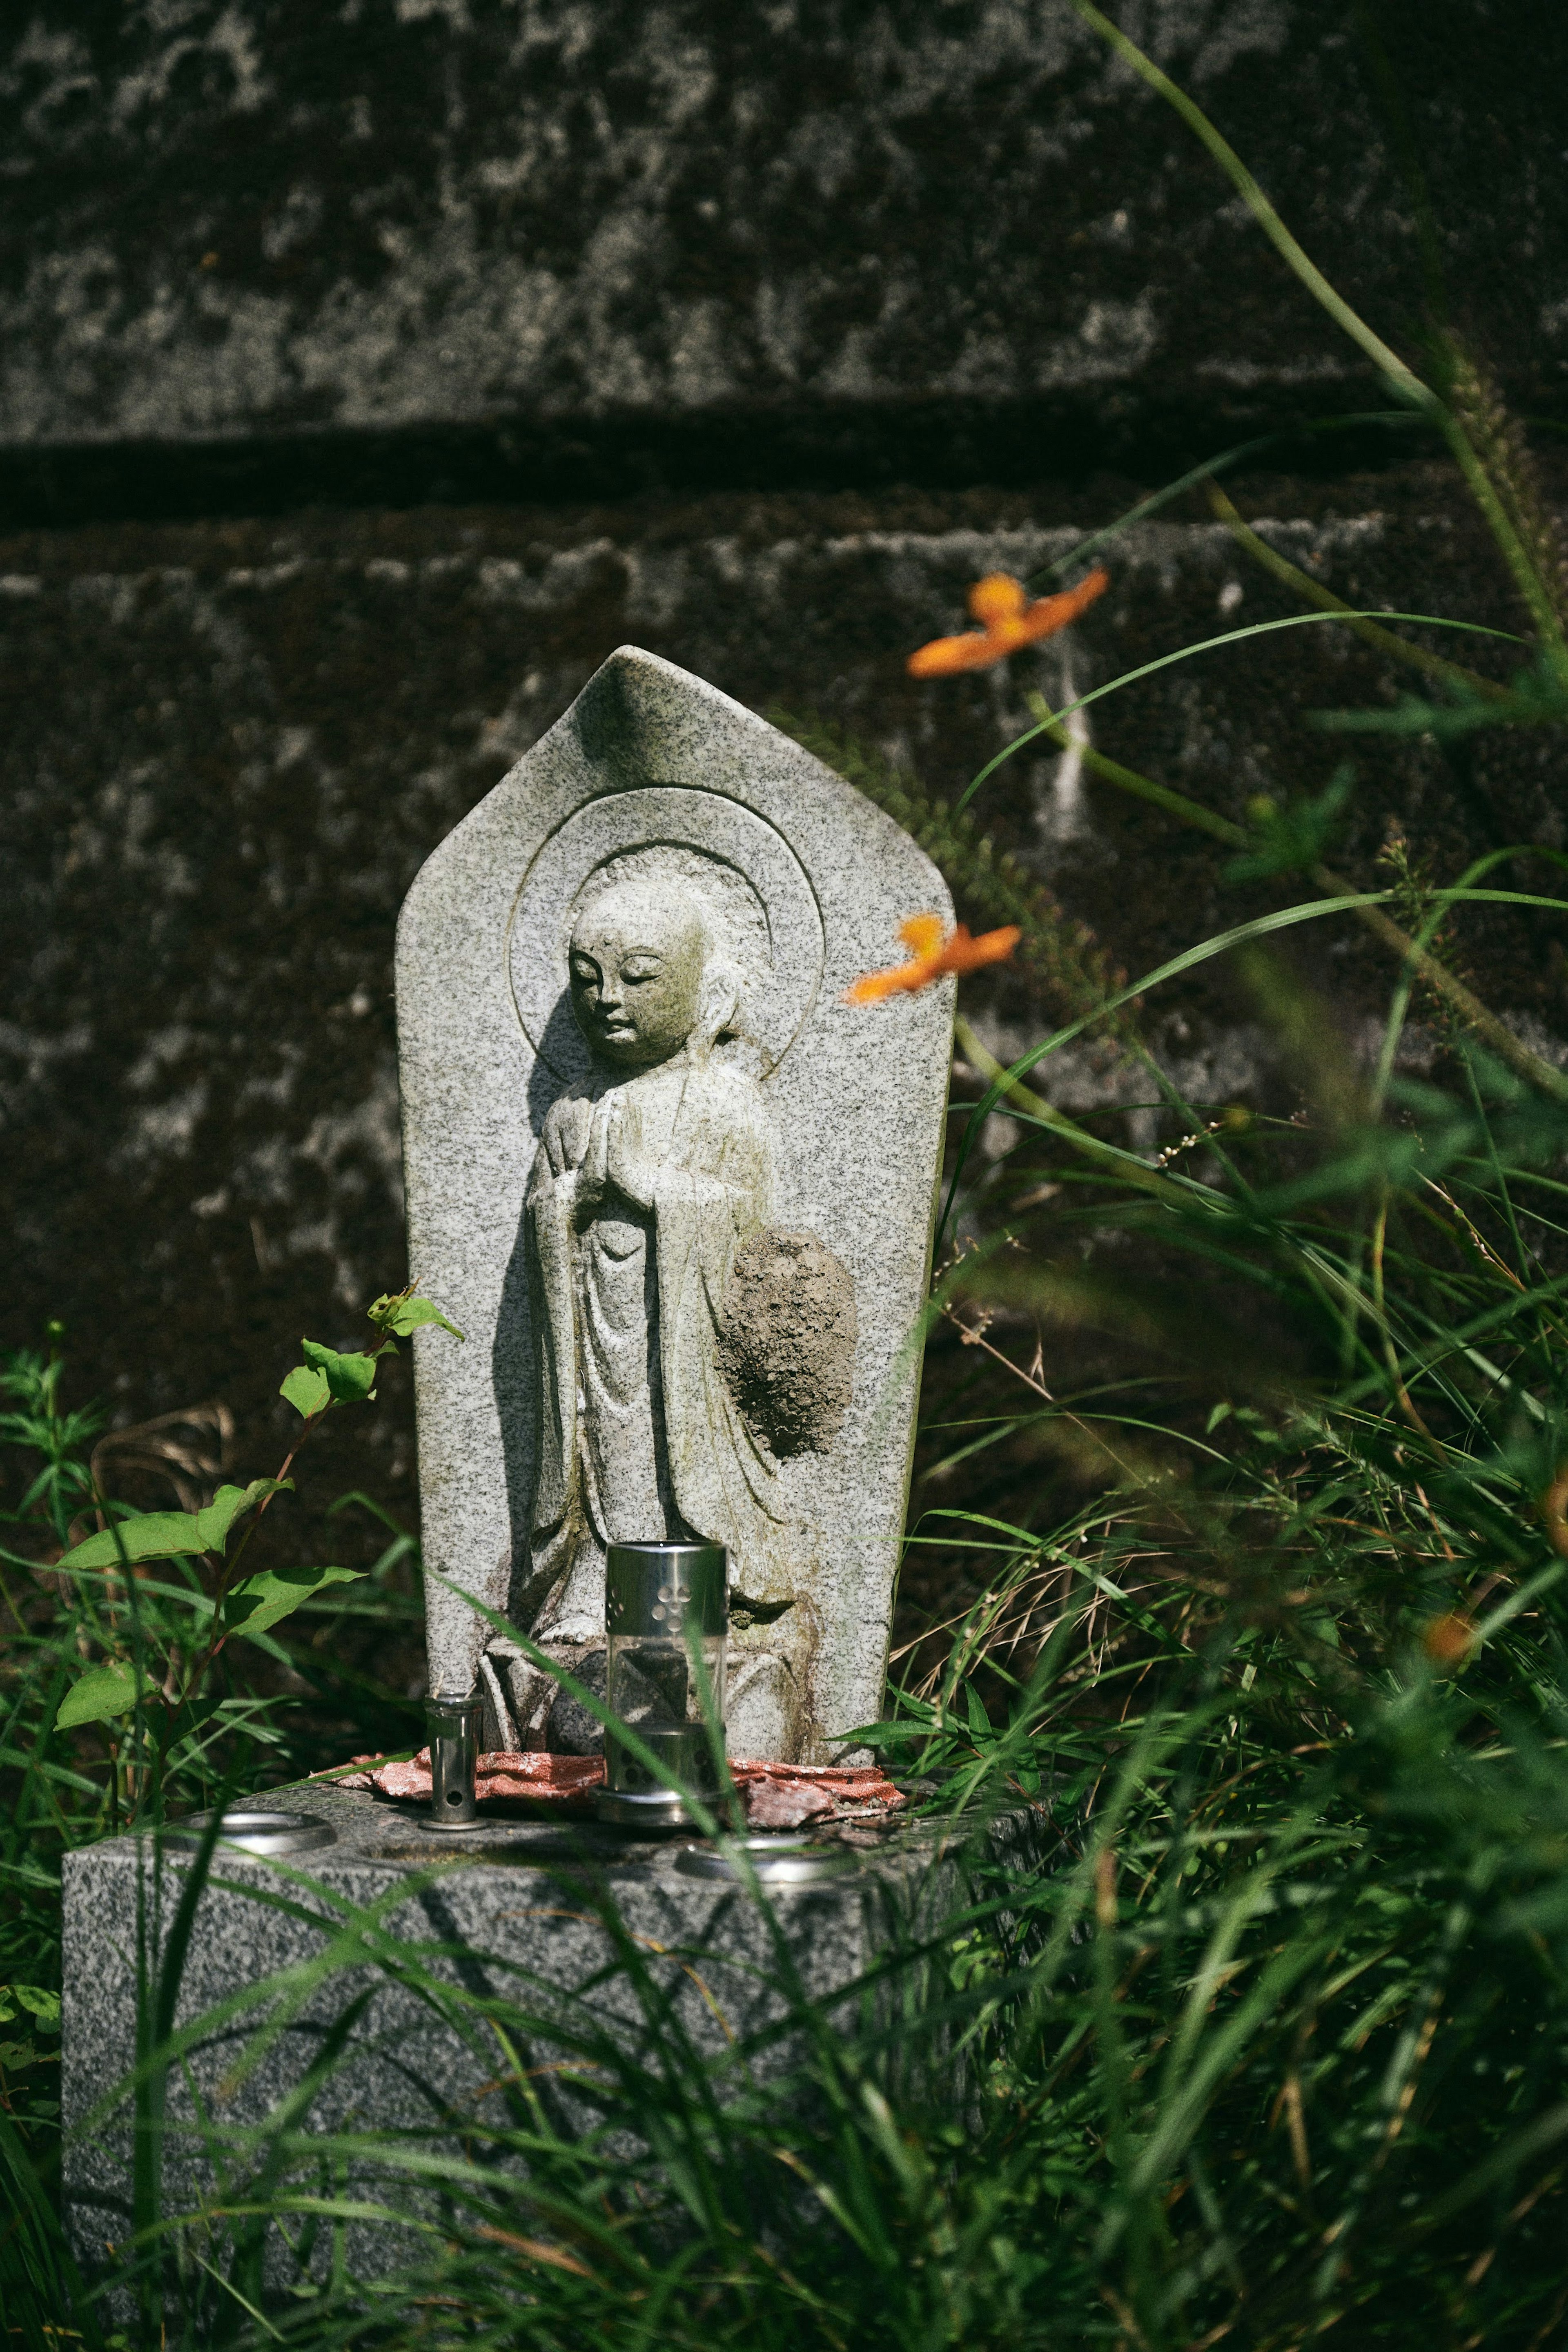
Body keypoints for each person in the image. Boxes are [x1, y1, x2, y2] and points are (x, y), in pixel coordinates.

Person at [492, 874, 799, 1748]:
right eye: (587, 978)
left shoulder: (722, 1100)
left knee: (671, 1451)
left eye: (638, 976)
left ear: (702, 986)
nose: (609, 1001)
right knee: (599, 1443)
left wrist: (653, 1194)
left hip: (687, 1337)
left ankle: (692, 1584)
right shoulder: (572, 1111)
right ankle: (594, 1576)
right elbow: (542, 1215)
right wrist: (565, 1206)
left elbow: (750, 1229)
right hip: (591, 1322)